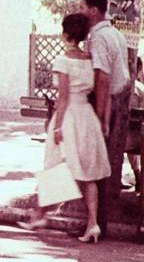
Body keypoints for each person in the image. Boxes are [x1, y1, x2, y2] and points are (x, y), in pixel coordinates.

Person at [19, 13, 110, 243]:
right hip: (87, 117)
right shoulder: (89, 59)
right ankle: (92, 223)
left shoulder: (63, 60)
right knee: (89, 173)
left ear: (66, 34)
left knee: (56, 165)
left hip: (69, 116)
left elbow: (63, 98)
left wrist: (57, 126)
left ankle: (40, 215)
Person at [79, 0, 131, 233]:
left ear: (93, 10)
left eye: (83, 7)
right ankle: (102, 220)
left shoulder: (98, 37)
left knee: (98, 162)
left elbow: (102, 77)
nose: (81, 12)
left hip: (108, 100)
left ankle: (97, 222)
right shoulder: (115, 34)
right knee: (109, 162)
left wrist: (100, 115)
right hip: (120, 98)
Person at [126, 56, 143, 192]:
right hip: (137, 140)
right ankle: (138, 175)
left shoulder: (118, 86)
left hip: (117, 138)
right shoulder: (141, 90)